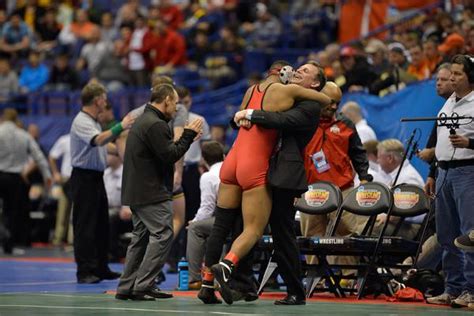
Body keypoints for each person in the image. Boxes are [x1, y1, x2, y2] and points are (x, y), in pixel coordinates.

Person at [201, 61, 330, 305]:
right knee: (245, 228)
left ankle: (292, 290)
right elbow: (238, 119)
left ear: (314, 83)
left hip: (276, 173)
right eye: (297, 69)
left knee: (278, 233)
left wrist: (251, 114)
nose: (298, 72)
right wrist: (241, 118)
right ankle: (236, 281)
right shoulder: (285, 93)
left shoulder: (309, 104)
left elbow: (284, 121)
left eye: (305, 72)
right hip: (256, 165)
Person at [115, 84, 203, 301]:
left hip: (138, 190)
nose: (176, 107)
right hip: (150, 191)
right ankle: (143, 285)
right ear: (165, 100)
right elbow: (170, 154)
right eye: (174, 102)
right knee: (163, 235)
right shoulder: (156, 124)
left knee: (141, 238)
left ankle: (127, 286)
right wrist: (188, 134)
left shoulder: (145, 120)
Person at [299, 82, 373, 266]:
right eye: (330, 102)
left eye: (337, 103)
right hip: (310, 189)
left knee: (346, 236)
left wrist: (364, 177)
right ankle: (318, 279)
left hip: (343, 189)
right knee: (311, 237)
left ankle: (348, 276)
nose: (334, 106)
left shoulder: (345, 124)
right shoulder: (303, 123)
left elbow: (358, 153)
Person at [70, 82, 134, 284]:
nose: (106, 103)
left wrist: (128, 151)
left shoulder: (93, 121)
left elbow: (106, 146)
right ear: (97, 100)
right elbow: (98, 141)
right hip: (84, 177)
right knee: (85, 225)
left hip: (96, 177)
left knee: (100, 224)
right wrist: (121, 126)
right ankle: (85, 270)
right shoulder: (82, 121)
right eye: (104, 99)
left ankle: (100, 266)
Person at [426, 55, 474, 308]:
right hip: (444, 171)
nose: (452, 78)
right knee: (446, 234)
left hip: (468, 171)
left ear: (470, 76)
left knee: (469, 235)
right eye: (451, 74)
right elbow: (441, 143)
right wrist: (432, 173)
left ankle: (471, 289)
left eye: (457, 74)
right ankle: (452, 288)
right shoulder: (448, 104)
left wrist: (470, 144)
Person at [0, 108, 51, 254]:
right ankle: (8, 244)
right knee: (11, 213)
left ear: (3, 117)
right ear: (17, 119)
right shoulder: (24, 135)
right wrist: (47, 176)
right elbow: (39, 157)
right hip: (15, 178)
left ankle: (4, 238)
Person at [186, 141, 224, 290]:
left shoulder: (208, 176)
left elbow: (207, 208)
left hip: (227, 220)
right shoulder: (231, 168)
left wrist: (193, 221)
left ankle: (195, 279)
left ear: (203, 160)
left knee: (195, 228)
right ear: (224, 155)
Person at [374, 139, 425, 239]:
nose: (377, 161)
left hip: (409, 227)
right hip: (398, 223)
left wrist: (388, 217)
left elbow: (410, 208)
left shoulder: (408, 177)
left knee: (371, 228)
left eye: (379, 157)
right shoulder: (394, 175)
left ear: (390, 158)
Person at [49, 133, 73, 246]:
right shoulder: (65, 140)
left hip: (80, 178)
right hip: (66, 179)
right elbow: (52, 156)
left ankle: (72, 240)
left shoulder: (87, 139)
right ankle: (58, 238)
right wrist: (55, 173)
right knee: (63, 210)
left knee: (76, 211)